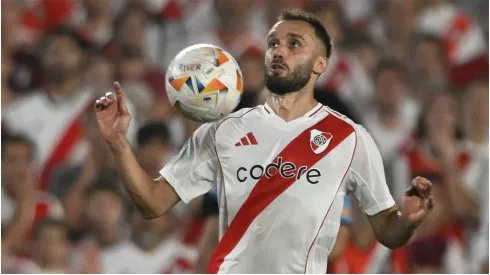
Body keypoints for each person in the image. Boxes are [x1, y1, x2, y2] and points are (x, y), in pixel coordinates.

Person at [94, 9, 434, 273]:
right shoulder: (222, 131)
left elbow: (387, 231)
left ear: (321, 64)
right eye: (273, 43)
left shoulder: (350, 139)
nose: (278, 52)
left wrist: (407, 221)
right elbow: (152, 202)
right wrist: (119, 144)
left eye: (294, 44)